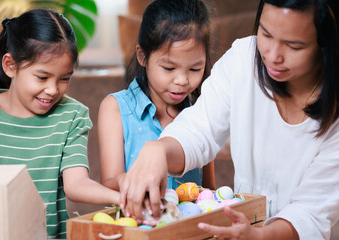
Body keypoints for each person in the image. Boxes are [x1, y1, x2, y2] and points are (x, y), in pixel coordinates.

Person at [119, 0, 339, 239]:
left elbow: (310, 213)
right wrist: (158, 150)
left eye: (294, 46)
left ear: (326, 45)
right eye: (265, 33)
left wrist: (258, 236)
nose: (273, 56)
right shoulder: (244, 59)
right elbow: (199, 129)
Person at [0, 9, 119, 239]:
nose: (53, 90)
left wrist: (119, 198)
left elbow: (77, 184)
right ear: (10, 65)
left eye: (65, 78)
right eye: (42, 77)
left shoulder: (71, 115)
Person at [97, 0, 215, 193]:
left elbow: (208, 189)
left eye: (195, 68)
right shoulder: (116, 107)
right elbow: (109, 183)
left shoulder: (201, 109)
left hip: (190, 222)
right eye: (169, 68)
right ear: (142, 56)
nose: (182, 80)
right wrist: (141, 180)